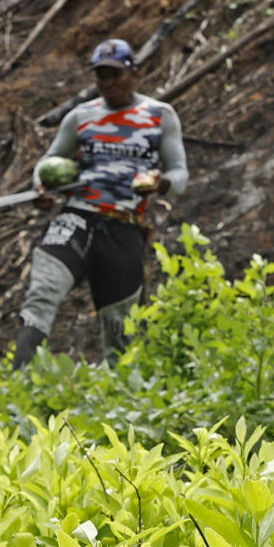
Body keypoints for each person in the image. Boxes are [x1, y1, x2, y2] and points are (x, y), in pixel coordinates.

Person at [12, 38, 189, 368]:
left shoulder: (159, 116)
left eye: (115, 75)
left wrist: (161, 183)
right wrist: (43, 187)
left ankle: (119, 403)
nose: (108, 84)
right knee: (43, 290)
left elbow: (180, 173)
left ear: (134, 74)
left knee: (121, 327)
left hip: (124, 227)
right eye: (101, 77)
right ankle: (17, 380)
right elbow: (49, 161)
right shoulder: (80, 117)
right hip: (77, 217)